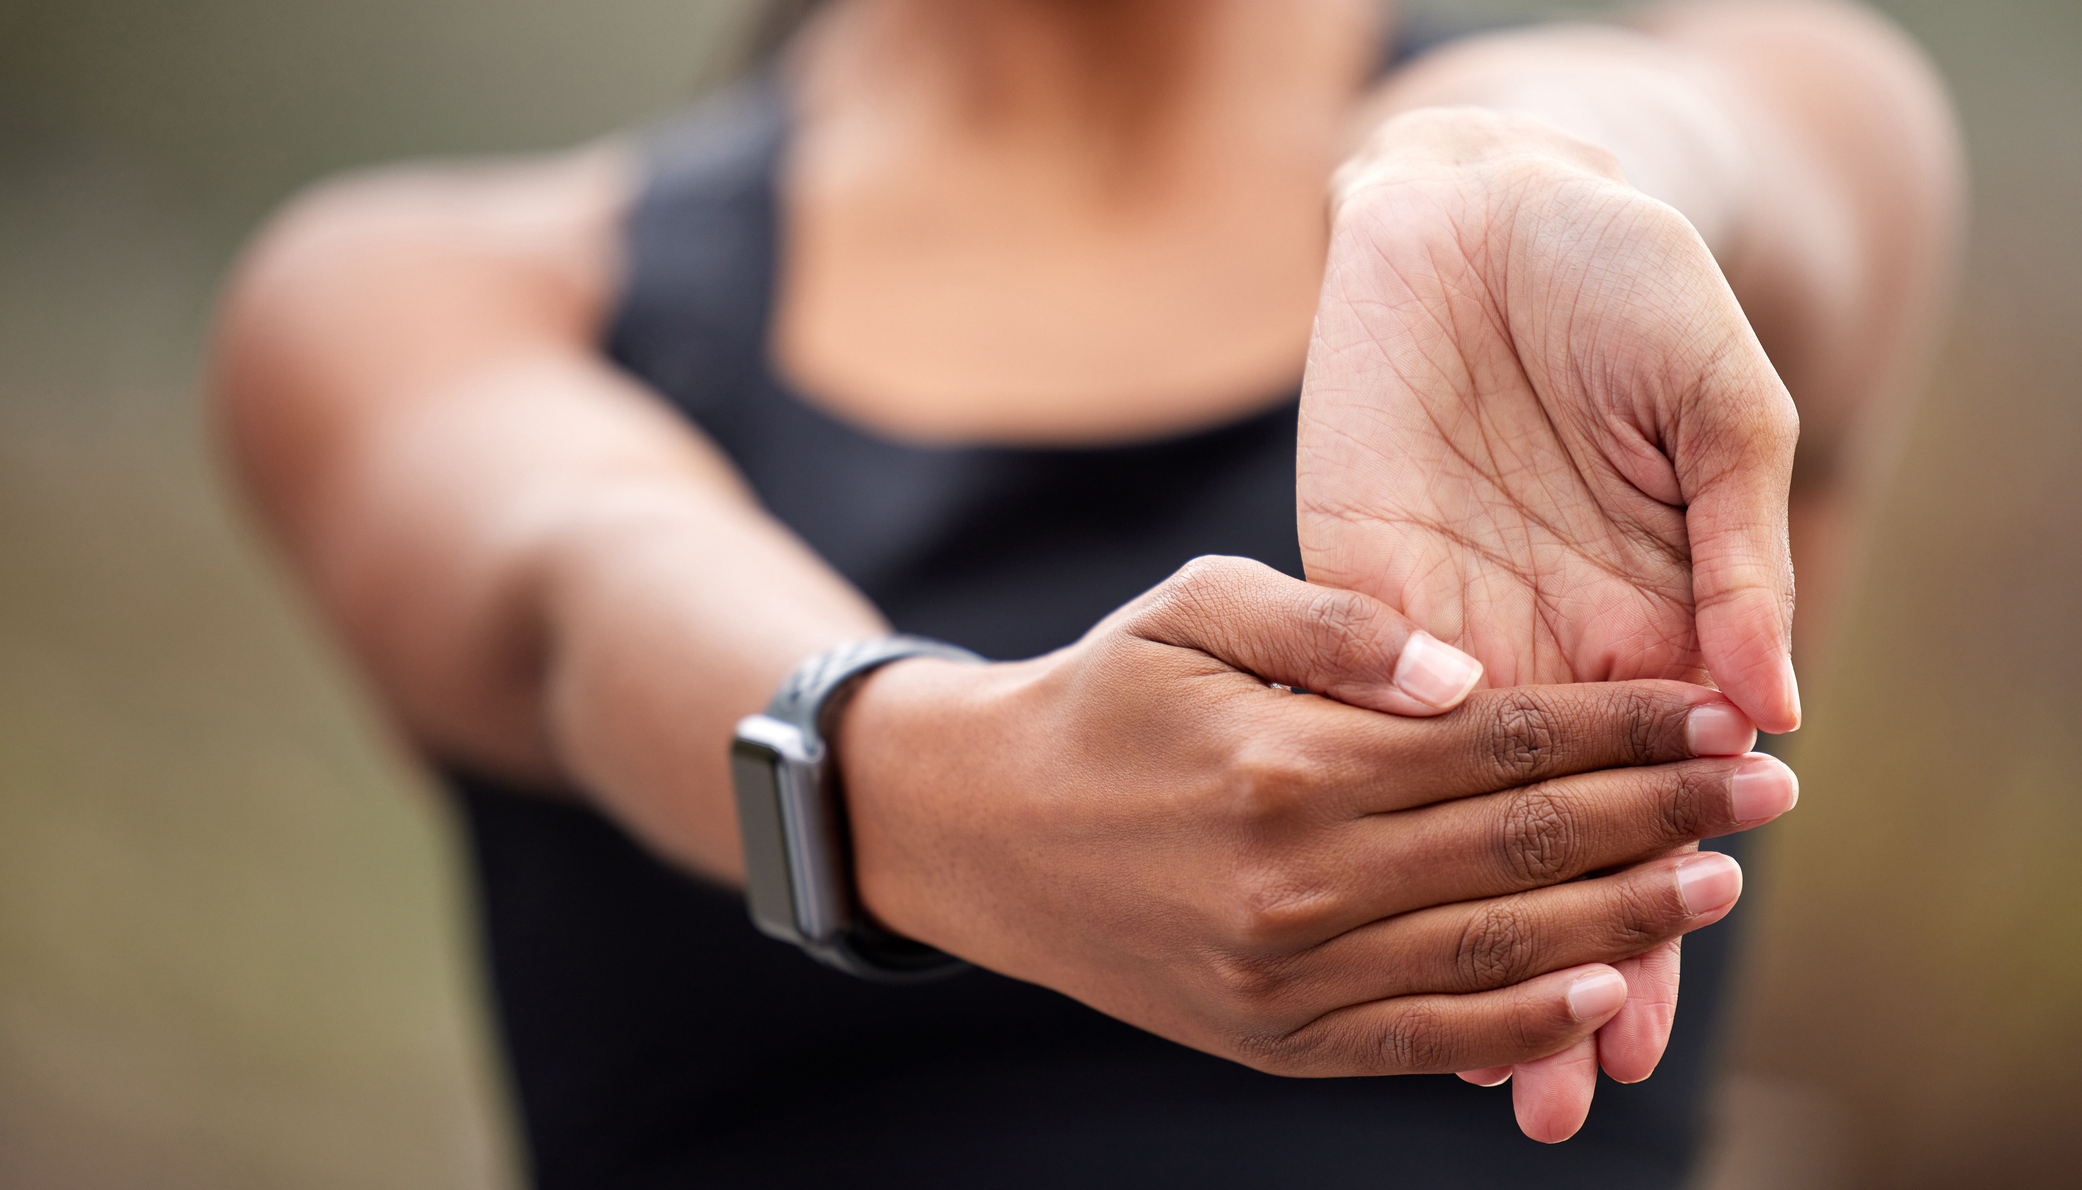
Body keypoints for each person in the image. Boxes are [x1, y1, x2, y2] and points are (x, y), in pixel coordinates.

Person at [210, 0, 1959, 1185]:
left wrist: (1512, 168)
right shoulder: (427, 287)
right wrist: (935, 787)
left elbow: (1716, 139)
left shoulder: (1752, 97)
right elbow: (581, 572)